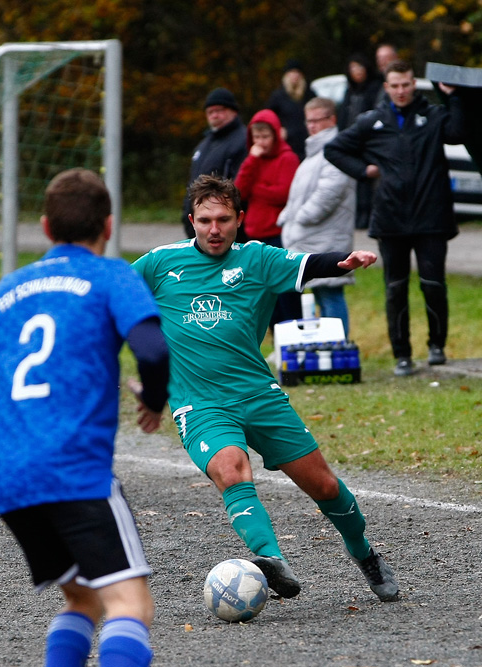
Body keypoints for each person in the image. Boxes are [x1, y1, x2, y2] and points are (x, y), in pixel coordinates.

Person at [0, 168, 170, 667]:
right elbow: (152, 352)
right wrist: (154, 400)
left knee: (82, 598)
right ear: (108, 227)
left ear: (45, 227)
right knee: (130, 605)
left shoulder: (7, 288)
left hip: (12, 479)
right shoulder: (111, 276)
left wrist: (12, 420)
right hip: (75, 471)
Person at [132, 174, 399, 601]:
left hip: (258, 394)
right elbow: (113, 298)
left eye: (222, 219)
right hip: (199, 403)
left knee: (325, 487)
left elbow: (306, 265)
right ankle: (272, 560)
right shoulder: (160, 264)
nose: (213, 229)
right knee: (230, 467)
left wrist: (343, 260)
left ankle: (364, 553)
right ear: (192, 221)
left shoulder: (255, 260)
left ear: (240, 219)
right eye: (204, 220)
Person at [325, 60, 465, 376]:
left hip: (431, 216)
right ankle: (402, 354)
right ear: (386, 88)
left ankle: (436, 346)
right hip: (391, 220)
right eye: (395, 86)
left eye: (405, 85)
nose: (401, 91)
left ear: (413, 85)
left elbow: (458, 132)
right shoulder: (373, 121)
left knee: (433, 285)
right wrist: (364, 171)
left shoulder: (432, 115)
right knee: (395, 288)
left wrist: (452, 97)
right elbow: (334, 150)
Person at [279, 98, 357, 337]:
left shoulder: (336, 150)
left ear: (332, 120)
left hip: (327, 238)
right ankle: (328, 348)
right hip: (313, 238)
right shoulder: (314, 153)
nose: (312, 126)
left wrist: (299, 218)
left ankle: (338, 350)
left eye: (318, 120)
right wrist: (287, 218)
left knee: (331, 295)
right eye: (309, 120)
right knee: (322, 296)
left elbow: (327, 195)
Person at [234, 109, 302, 325]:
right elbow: (238, 191)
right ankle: (276, 338)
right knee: (263, 294)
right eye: (257, 137)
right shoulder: (254, 159)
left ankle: (293, 337)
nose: (261, 142)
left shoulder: (288, 158)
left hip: (278, 235)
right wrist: (252, 160)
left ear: (275, 136)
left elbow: (284, 193)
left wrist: (256, 189)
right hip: (255, 235)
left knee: (285, 293)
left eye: (265, 136)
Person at [181, 87, 248, 238]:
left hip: (225, 231)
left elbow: (239, 189)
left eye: (220, 110)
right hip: (198, 227)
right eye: (210, 112)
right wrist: (187, 214)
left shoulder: (243, 141)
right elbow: (192, 183)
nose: (215, 115)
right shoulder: (204, 144)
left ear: (234, 111)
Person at [337, 53, 383, 230]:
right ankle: (357, 216)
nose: (356, 72)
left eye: (359, 67)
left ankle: (367, 215)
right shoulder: (350, 90)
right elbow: (343, 116)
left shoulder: (374, 88)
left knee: (367, 180)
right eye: (353, 68)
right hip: (351, 142)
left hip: (368, 141)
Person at [265, 59, 316, 159]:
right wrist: (277, 129)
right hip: (287, 144)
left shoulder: (309, 94)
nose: (295, 76)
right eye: (292, 72)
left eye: (297, 72)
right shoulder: (278, 96)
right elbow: (268, 116)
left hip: (306, 142)